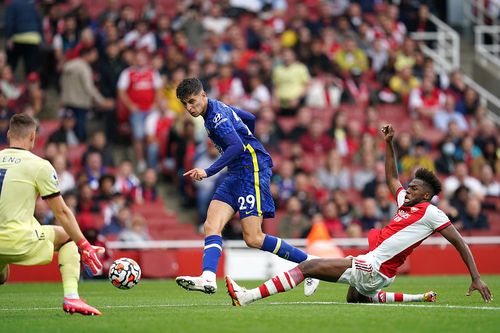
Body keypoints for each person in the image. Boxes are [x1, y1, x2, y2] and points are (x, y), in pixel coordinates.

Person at [226, 124, 492, 306]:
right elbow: (391, 177)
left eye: (414, 188)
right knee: (355, 299)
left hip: (374, 267)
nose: (407, 189)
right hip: (378, 268)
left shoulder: (431, 213)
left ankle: (247, 296)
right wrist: (389, 144)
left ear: (425, 195)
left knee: (309, 268)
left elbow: (459, 242)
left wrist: (476, 276)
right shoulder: (405, 204)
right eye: (409, 186)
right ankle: (419, 297)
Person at [174, 78, 319, 296]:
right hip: (236, 172)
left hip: (251, 171)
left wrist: (208, 171)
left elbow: (235, 145)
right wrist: (249, 137)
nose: (190, 108)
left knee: (253, 238)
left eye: (193, 101)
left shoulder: (215, 117)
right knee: (211, 225)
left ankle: (311, 265)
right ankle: (208, 278)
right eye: (185, 104)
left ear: (203, 95)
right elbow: (249, 118)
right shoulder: (217, 106)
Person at [0, 114, 105, 315]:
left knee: (2, 276)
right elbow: (62, 211)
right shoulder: (39, 165)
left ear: (8, 134)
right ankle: (72, 298)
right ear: (33, 136)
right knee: (68, 238)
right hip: (16, 240)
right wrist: (83, 244)